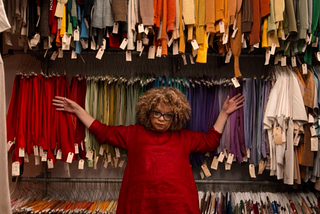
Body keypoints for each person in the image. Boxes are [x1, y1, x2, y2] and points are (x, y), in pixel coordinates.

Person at [52, 86, 244, 214]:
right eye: (157, 113)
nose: (161, 118)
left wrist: (224, 113)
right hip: (141, 205)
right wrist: (78, 111)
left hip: (177, 206)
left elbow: (210, 142)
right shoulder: (133, 134)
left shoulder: (184, 137)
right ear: (148, 112)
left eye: (167, 115)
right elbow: (102, 131)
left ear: (175, 117)